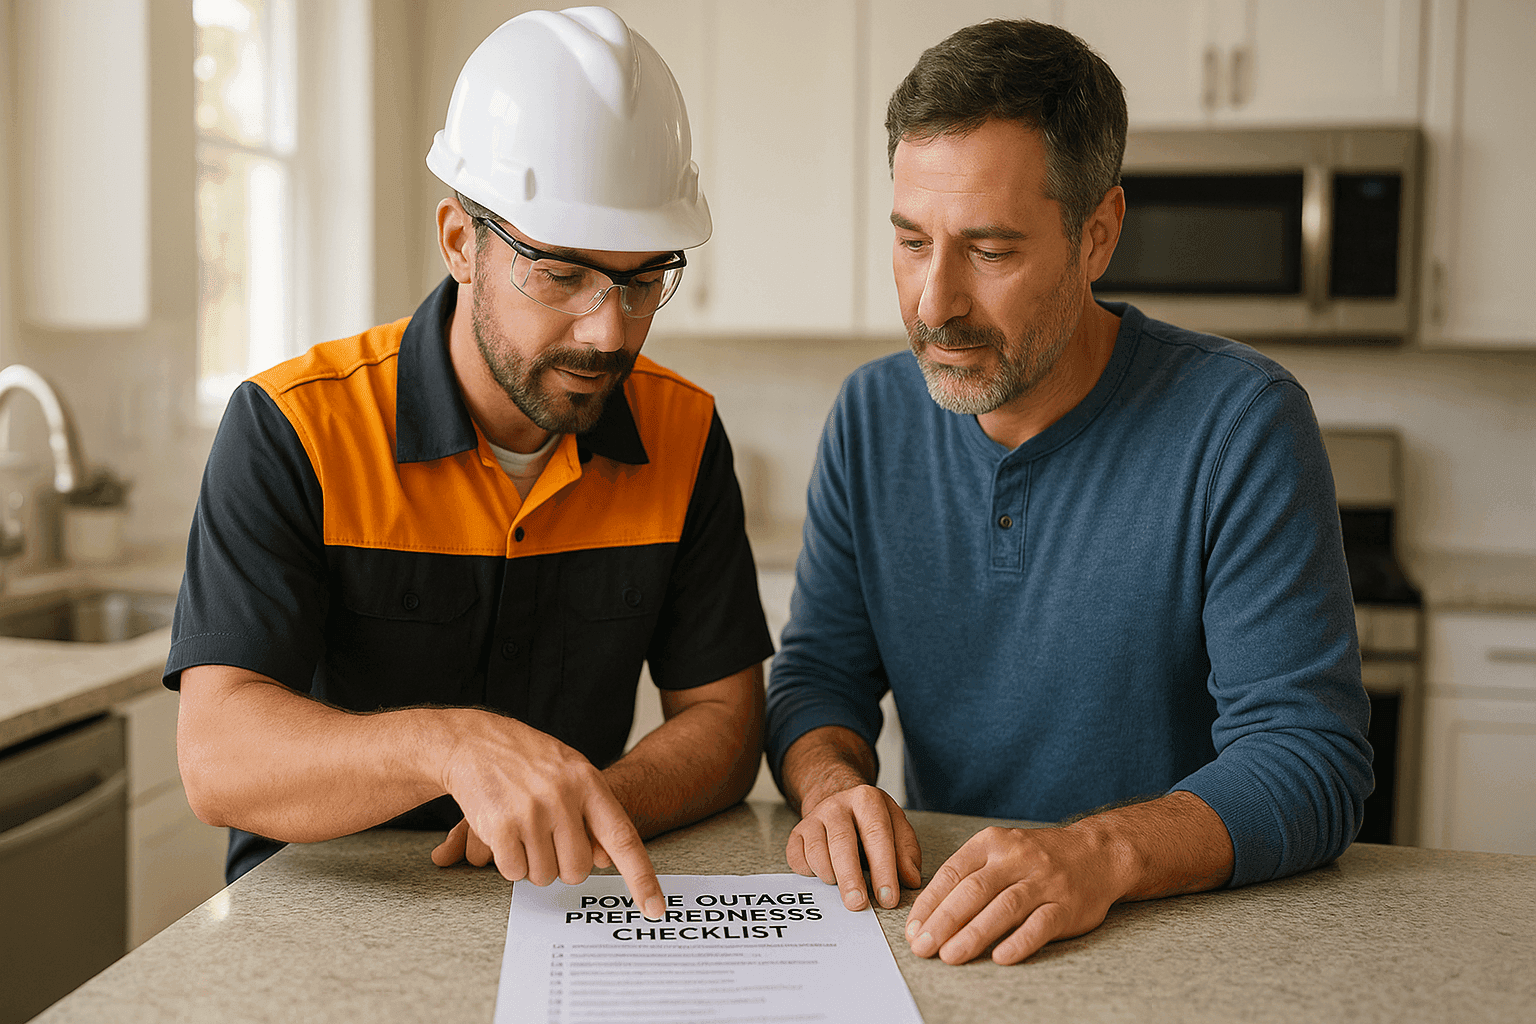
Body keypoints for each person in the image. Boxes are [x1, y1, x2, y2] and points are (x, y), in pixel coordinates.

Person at [765, 19, 1372, 966]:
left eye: (990, 251)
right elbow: (817, 680)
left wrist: (1099, 854)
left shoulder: (1241, 423)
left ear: (1097, 236)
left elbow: (1311, 756)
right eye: (912, 241)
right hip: (949, 928)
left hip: (1177, 939)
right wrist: (832, 785)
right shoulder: (870, 416)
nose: (933, 303)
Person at [169, 7, 773, 921]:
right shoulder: (294, 426)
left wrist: (586, 805)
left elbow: (726, 722)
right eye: (562, 274)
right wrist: (449, 748)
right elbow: (218, 759)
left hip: (561, 907)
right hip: (319, 927)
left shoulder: (684, 433)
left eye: (643, 279)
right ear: (460, 241)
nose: (608, 332)